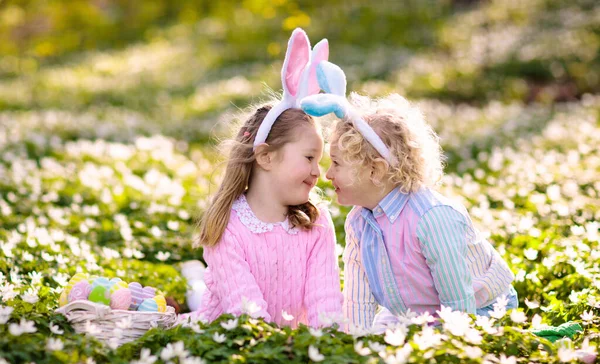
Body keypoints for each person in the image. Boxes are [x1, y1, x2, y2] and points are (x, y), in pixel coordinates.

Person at [301, 61, 516, 331]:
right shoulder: (357, 222)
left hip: (480, 308)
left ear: (375, 170)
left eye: (337, 164)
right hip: (414, 314)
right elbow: (359, 299)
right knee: (379, 335)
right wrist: (355, 348)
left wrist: (456, 345)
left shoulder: (432, 218)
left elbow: (458, 302)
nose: (327, 174)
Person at [180, 29, 342, 328]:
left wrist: (331, 351)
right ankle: (193, 279)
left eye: (319, 161)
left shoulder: (316, 222)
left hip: (288, 348)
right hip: (233, 341)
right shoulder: (228, 224)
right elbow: (246, 314)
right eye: (309, 158)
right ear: (266, 156)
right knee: (200, 298)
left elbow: (326, 301)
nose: (317, 171)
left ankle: (194, 279)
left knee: (200, 290)